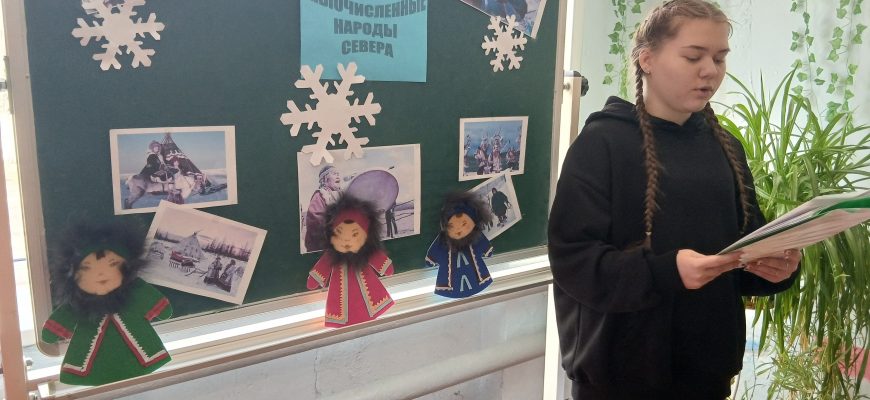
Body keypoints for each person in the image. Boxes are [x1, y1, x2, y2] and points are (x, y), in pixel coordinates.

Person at [547, 1, 802, 398]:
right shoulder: (602, 144)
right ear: (647, 59)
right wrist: (668, 272)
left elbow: (742, 255)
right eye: (693, 57)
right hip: (618, 377)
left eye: (719, 58)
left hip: (707, 373)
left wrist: (776, 268)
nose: (710, 70)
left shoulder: (727, 148)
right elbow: (574, 262)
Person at [305, 165, 343, 252]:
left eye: (338, 174)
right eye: (334, 174)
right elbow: (315, 222)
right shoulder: (320, 196)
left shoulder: (341, 195)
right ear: (325, 179)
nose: (338, 176)